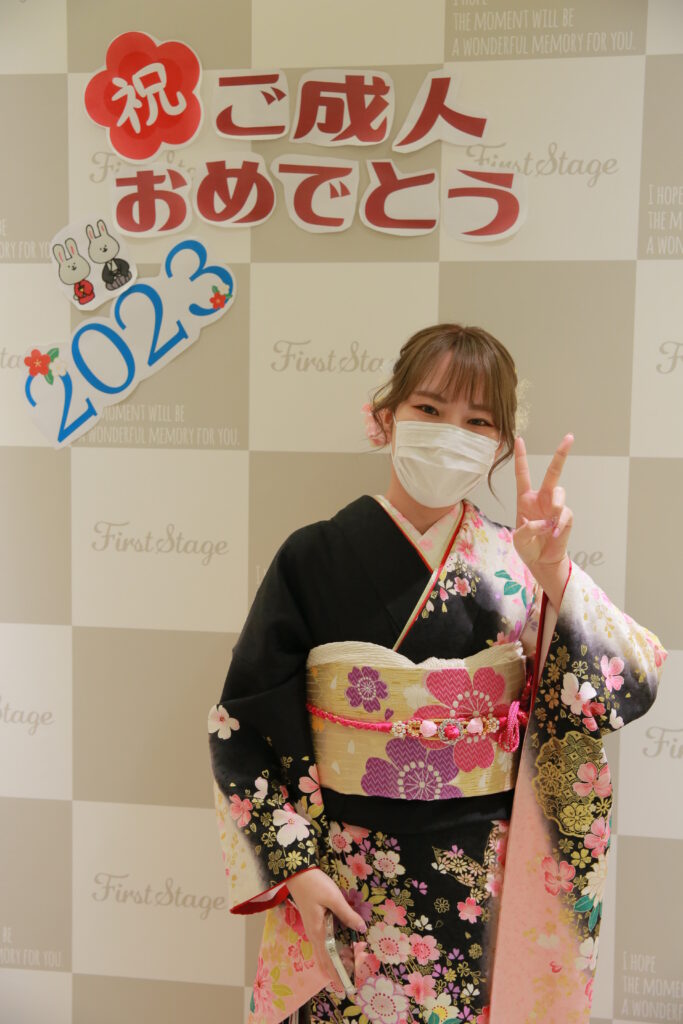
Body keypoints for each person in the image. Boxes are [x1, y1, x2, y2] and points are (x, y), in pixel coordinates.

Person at [207, 324, 667, 1024]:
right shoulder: (312, 557)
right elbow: (240, 723)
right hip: (345, 870)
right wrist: (295, 866)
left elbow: (628, 680)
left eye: (477, 421)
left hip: (478, 875)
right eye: (428, 408)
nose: (451, 432)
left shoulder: (517, 564)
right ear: (384, 417)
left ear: (499, 443)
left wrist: (553, 573)